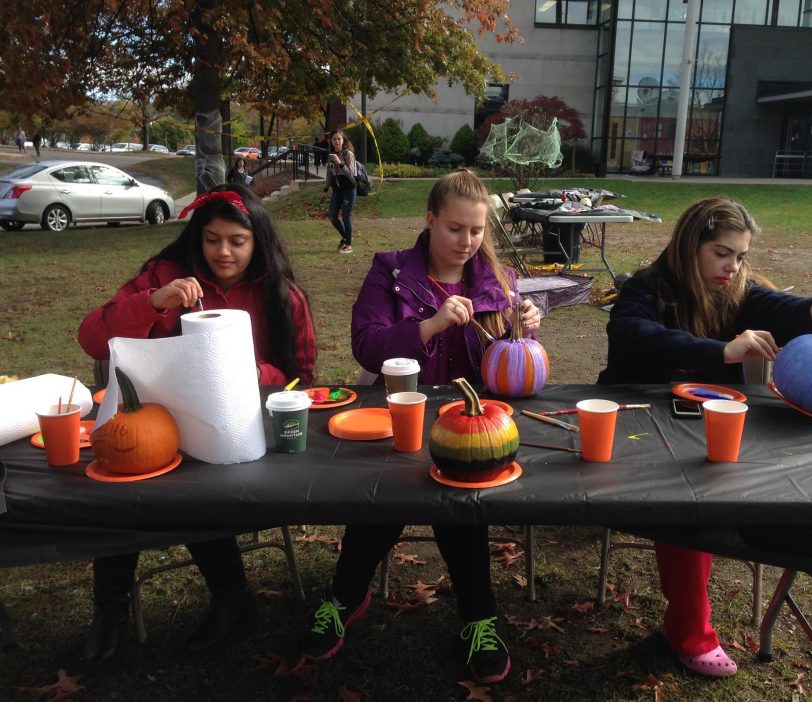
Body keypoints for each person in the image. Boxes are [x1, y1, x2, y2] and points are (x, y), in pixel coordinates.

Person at [597, 197, 812, 678]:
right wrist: (721, 350)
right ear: (690, 244)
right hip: (641, 421)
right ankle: (690, 629)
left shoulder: (738, 291)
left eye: (740, 256)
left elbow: (781, 307)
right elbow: (634, 334)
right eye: (722, 253)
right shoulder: (647, 287)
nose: (732, 266)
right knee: (686, 499)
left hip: (708, 424)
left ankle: (724, 559)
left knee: (727, 485)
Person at [300, 169, 541, 684]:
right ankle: (344, 599)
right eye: (455, 229)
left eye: (476, 231)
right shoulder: (390, 272)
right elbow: (366, 344)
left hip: (469, 423)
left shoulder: (496, 280)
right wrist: (429, 325)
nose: (466, 242)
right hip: (399, 418)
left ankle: (479, 618)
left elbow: (509, 365)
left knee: (461, 511)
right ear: (430, 220)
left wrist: (522, 327)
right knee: (381, 505)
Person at [77, 183, 317, 666]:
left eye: (237, 241)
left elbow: (302, 377)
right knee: (123, 485)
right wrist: (153, 301)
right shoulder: (166, 275)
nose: (223, 252)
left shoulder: (280, 295)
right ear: (197, 238)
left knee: (199, 485)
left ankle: (233, 598)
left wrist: (258, 376)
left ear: (257, 242)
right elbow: (92, 339)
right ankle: (110, 610)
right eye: (212, 239)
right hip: (155, 425)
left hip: (234, 427)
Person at [322, 130, 357, 254]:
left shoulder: (348, 154)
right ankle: (346, 237)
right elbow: (329, 174)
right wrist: (325, 190)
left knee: (346, 217)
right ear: (331, 142)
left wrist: (340, 163)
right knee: (332, 216)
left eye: (339, 139)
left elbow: (352, 174)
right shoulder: (331, 155)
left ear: (343, 141)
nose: (336, 141)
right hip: (337, 190)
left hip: (349, 188)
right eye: (334, 139)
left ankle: (349, 245)